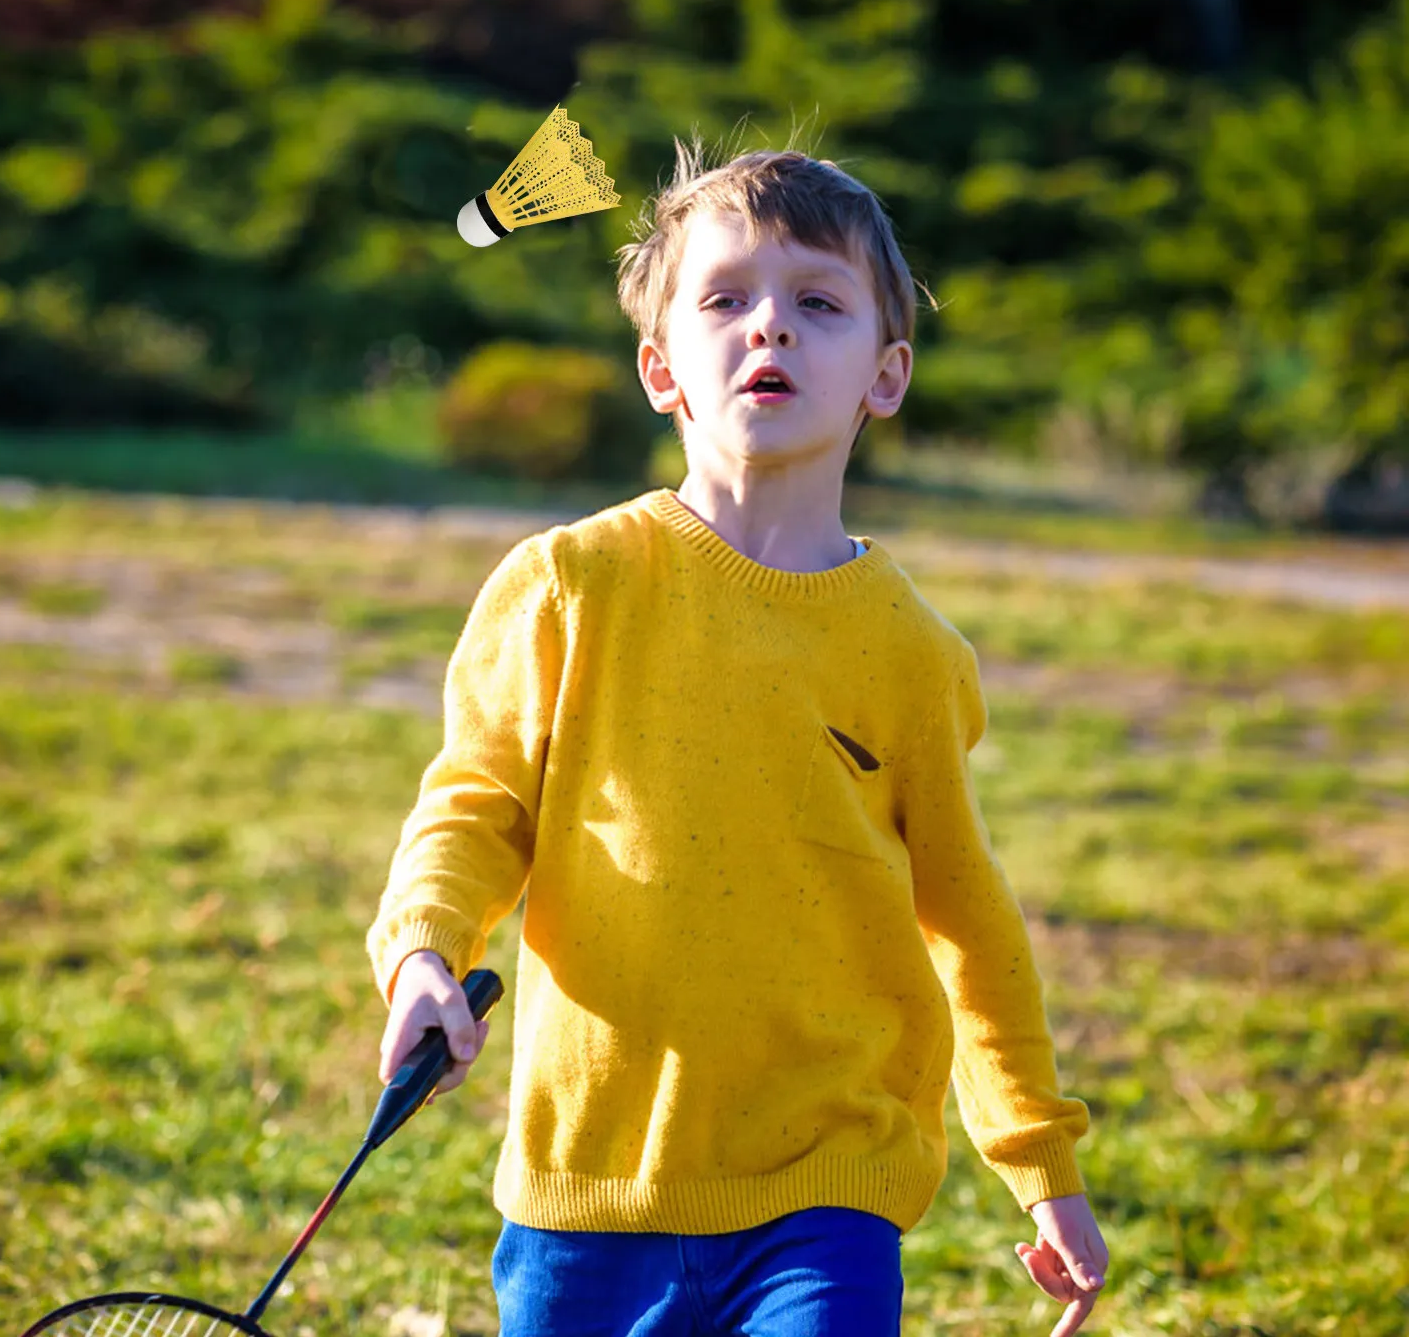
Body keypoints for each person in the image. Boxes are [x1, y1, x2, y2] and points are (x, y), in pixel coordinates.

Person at [367, 136, 1109, 1337]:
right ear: (661, 369)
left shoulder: (913, 653)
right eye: (726, 300)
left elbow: (968, 920)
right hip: (588, 1186)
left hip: (826, 1190)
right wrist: (420, 954)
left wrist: (1039, 1161)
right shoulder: (569, 583)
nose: (769, 329)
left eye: (818, 303)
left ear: (886, 373)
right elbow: (474, 804)